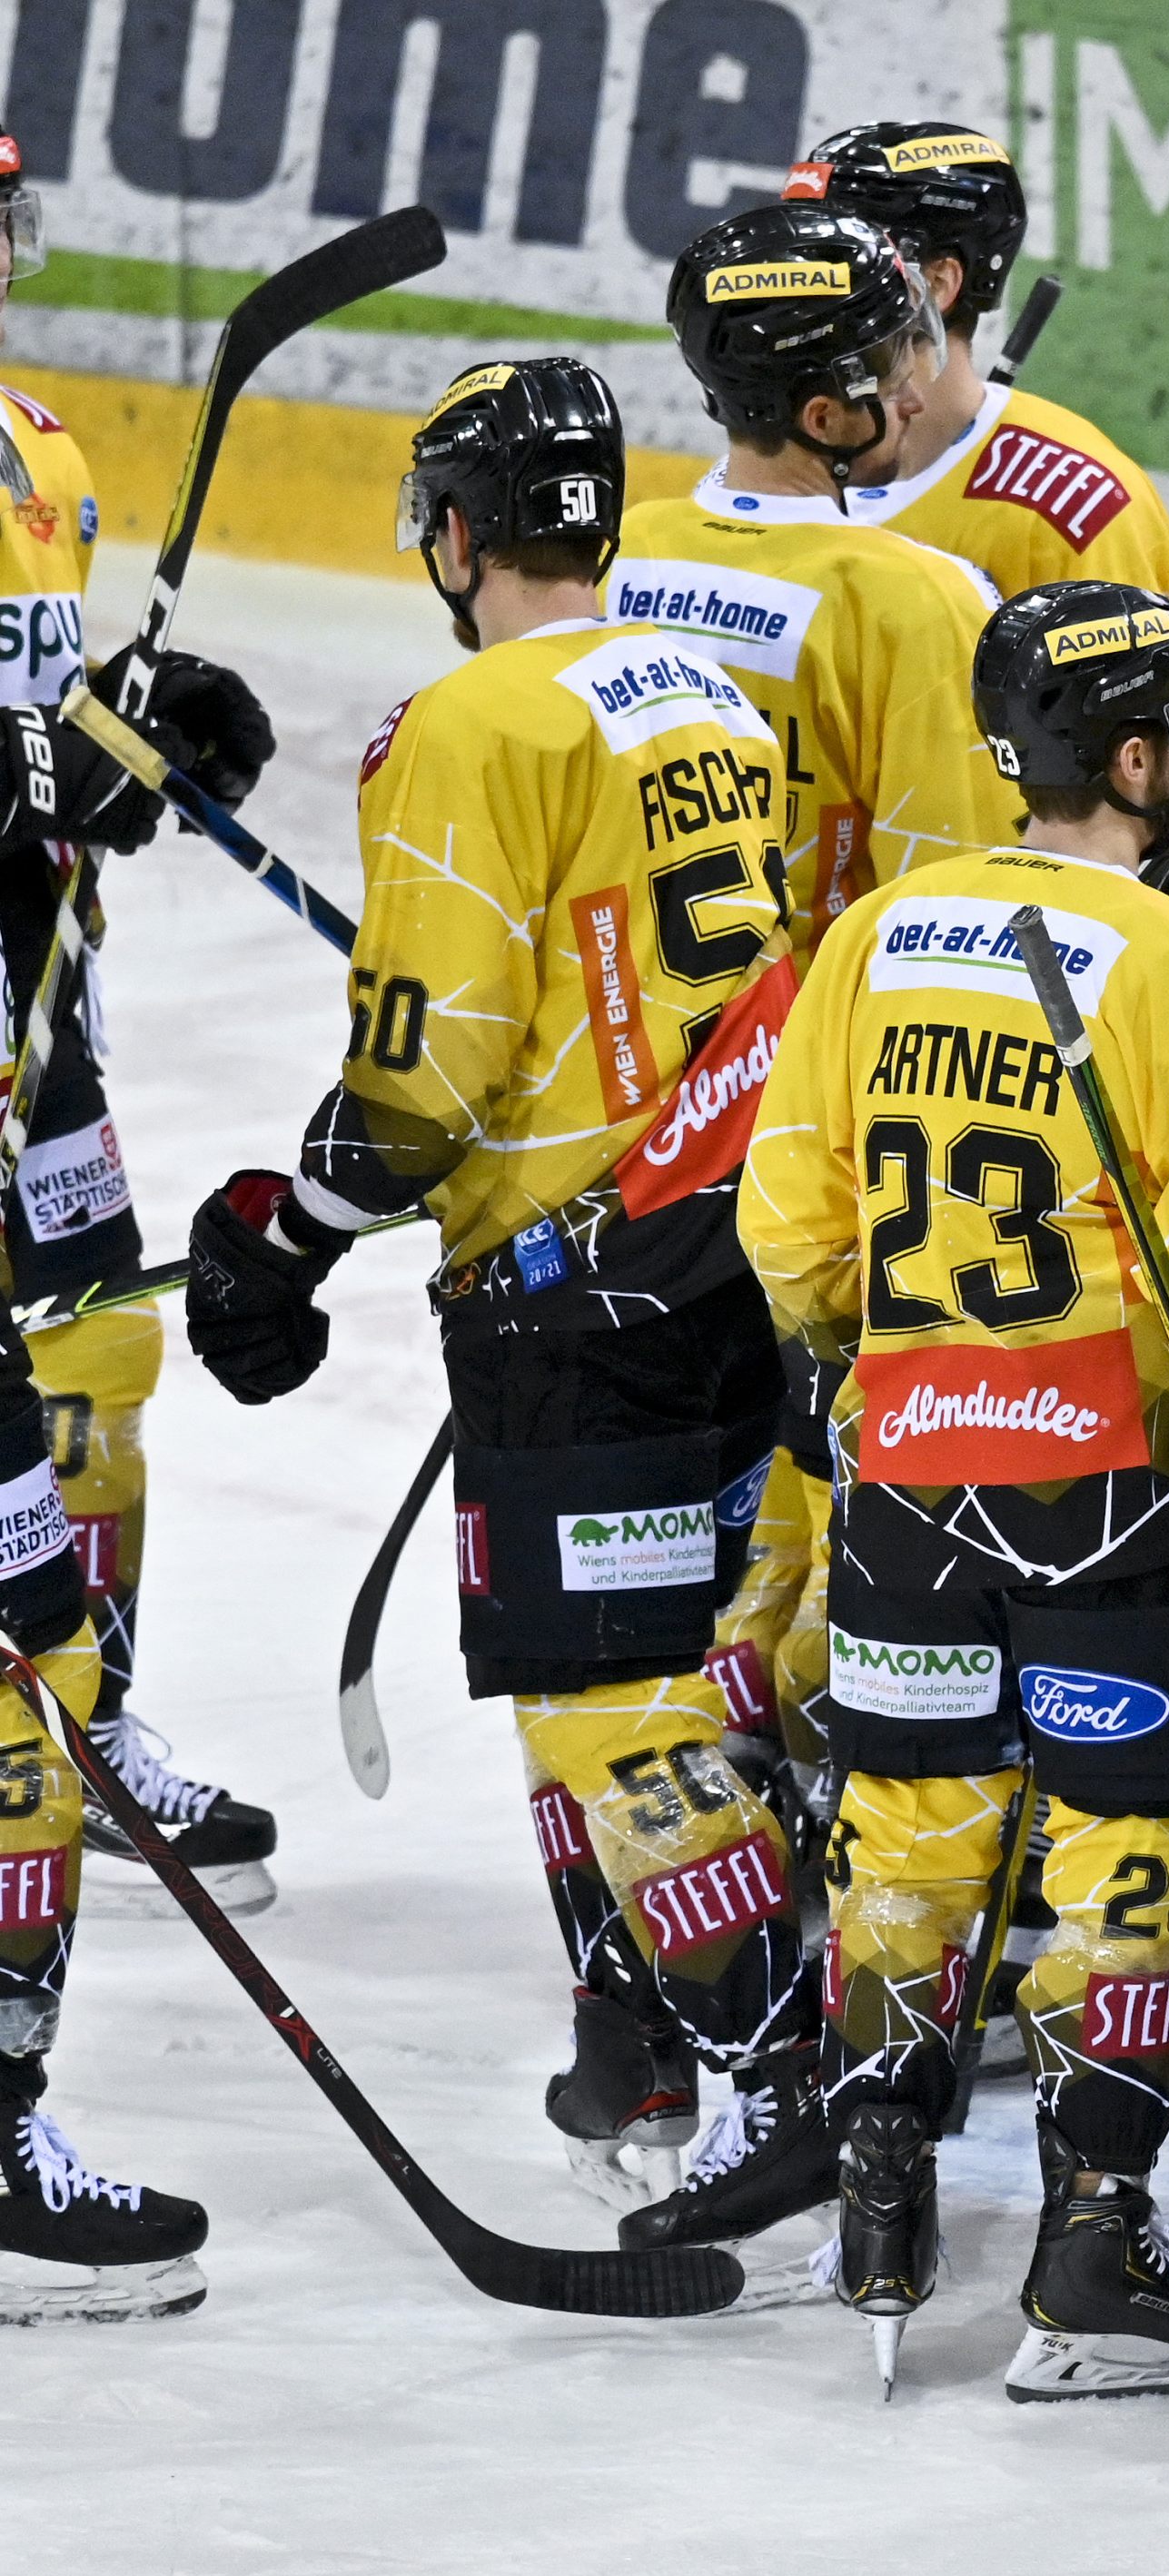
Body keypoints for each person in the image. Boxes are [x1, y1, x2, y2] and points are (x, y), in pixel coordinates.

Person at [180, 359, 827, 2266]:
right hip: (734, 1250)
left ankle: (799, 2083)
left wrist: (283, 1227)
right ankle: (675, 2053)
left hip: (583, 1296)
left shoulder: (463, 725)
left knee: (607, 1709)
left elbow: (426, 1081)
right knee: (703, 1655)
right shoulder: (696, 683)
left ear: (458, 533)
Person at [737, 577, 1169, 2399]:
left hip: (907, 1477)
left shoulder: (876, 938)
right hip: (1115, 1492)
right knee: (1125, 1856)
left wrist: (891, 1357)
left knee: (910, 1837)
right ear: (1142, 754)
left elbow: (791, 1233)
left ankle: (881, 2194)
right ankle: (1090, 2245)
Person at [614, 200, 1018, 1841]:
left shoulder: (625, 548)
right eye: (889, 350)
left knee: (657, 1528)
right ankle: (857, 1869)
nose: (918, 374)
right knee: (826, 1519)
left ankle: (682, 1884)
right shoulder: (913, 594)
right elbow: (945, 903)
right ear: (839, 395)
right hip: (801, 1142)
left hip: (622, 1120)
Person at [0, 131, 282, 1913]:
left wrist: (134, 722)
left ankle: (73, 1720)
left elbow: (31, 717)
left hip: (30, 992)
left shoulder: (38, 456)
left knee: (94, 1346)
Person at [783, 124, 1169, 603]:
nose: (798, 287)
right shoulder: (778, 456)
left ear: (936, 284)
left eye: (839, 261)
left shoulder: (1079, 508)